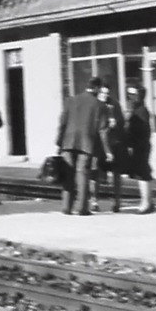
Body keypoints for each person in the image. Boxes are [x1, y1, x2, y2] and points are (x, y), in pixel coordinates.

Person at [55, 76, 107, 215]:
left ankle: (66, 207)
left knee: (68, 174)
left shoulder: (71, 101)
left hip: (68, 141)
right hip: (86, 143)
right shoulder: (100, 105)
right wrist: (106, 151)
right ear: (96, 88)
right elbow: (102, 129)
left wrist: (59, 142)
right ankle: (82, 208)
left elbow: (62, 123)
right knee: (82, 174)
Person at [122, 83, 156, 214]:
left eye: (132, 96)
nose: (130, 99)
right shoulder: (140, 109)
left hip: (140, 146)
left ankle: (146, 203)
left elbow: (138, 131)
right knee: (142, 172)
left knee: (142, 174)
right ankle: (148, 201)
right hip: (141, 145)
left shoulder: (140, 111)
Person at [95, 84, 128, 213]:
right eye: (103, 93)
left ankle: (117, 202)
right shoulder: (95, 105)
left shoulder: (115, 104)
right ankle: (94, 200)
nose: (105, 95)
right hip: (98, 144)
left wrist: (117, 123)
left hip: (114, 143)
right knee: (96, 175)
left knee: (116, 174)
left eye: (107, 93)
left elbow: (122, 122)